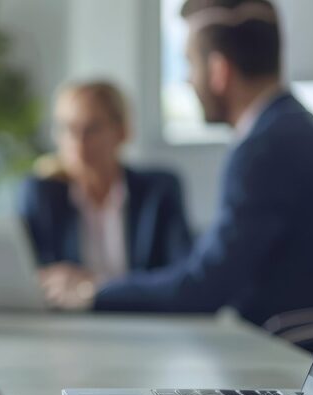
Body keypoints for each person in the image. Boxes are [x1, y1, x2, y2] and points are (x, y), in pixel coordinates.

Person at [41, 0, 313, 326]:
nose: (188, 80)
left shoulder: (263, 149)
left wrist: (93, 291)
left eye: (189, 63)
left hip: (294, 353)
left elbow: (204, 289)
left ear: (219, 71)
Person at [21, 81, 192, 295]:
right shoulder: (42, 195)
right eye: (68, 129)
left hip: (144, 319)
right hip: (66, 324)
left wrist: (94, 287)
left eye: (91, 129)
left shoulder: (159, 192)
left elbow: (183, 275)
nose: (78, 142)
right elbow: (32, 276)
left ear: (122, 132)